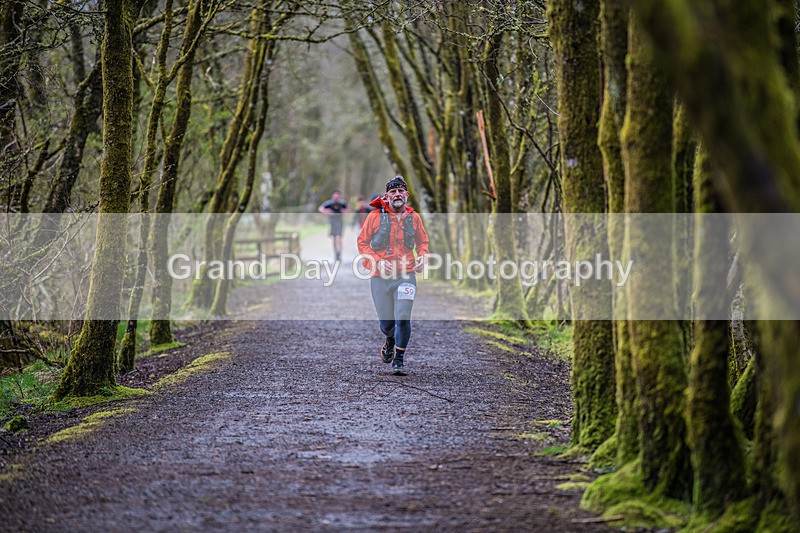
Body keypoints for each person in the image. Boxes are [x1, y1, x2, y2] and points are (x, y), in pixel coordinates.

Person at [357, 176, 429, 376]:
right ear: (387, 196)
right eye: (393, 192)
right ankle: (390, 339)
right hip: (380, 277)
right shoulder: (375, 216)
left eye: (401, 191)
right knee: (387, 324)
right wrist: (377, 260)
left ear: (406, 195)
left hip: (406, 275)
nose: (397, 195)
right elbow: (362, 243)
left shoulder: (414, 217)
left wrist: (424, 256)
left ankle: (399, 359)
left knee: (403, 317)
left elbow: (423, 243)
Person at [318, 189, 348, 262]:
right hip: (332, 223)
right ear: (332, 197)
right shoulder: (329, 203)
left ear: (339, 197)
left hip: (340, 222)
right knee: (334, 238)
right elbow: (320, 208)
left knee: (339, 238)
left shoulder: (342, 203)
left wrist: (344, 211)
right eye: (334, 197)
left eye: (337, 197)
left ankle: (339, 254)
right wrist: (327, 211)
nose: (336, 198)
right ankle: (335, 253)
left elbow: (346, 209)